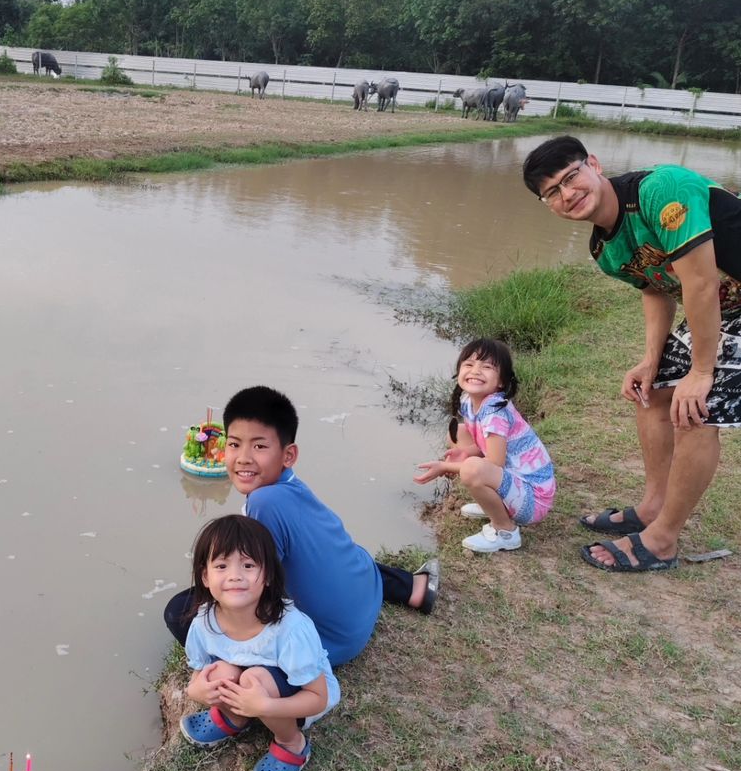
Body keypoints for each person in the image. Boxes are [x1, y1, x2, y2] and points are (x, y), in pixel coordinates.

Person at [522, 136, 741, 572]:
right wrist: (649, 359)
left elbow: (698, 285)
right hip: (728, 304)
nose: (567, 194)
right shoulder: (604, 250)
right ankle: (653, 507)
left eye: (571, 177)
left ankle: (662, 542)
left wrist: (701, 371)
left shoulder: (661, 191)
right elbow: (658, 290)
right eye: (552, 192)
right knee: (654, 390)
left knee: (697, 406)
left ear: (595, 165)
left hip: (724, 299)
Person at [165, 385, 439, 667]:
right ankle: (414, 588)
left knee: (179, 609)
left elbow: (259, 591)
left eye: (259, 446)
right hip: (367, 593)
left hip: (329, 642)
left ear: (288, 454)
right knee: (332, 548)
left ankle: (232, 666)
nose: (244, 457)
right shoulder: (290, 485)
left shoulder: (264, 502)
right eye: (234, 444)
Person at [179, 515, 339, 771]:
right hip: (253, 684)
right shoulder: (204, 622)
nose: (235, 575)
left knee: (254, 678)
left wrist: (266, 707)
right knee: (221, 672)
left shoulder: (290, 628)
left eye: (249, 565)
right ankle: (235, 717)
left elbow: (318, 698)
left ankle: (292, 743)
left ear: (267, 576)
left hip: (299, 693)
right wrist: (195, 691)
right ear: (205, 577)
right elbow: (199, 671)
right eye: (221, 565)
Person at [413, 338, 555, 553]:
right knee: (460, 433)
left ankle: (504, 531)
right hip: (516, 485)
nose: (476, 370)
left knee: (472, 469)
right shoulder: (468, 400)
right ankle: (495, 504)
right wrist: (466, 452)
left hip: (533, 501)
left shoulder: (495, 411)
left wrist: (446, 466)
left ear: (501, 381)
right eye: (469, 364)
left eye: (487, 366)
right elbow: (483, 446)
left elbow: (494, 462)